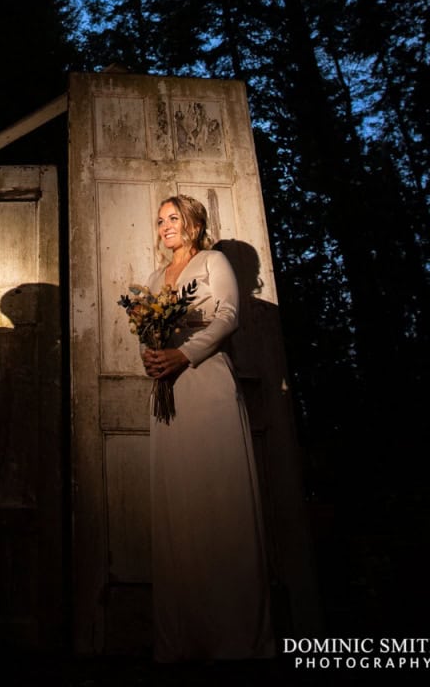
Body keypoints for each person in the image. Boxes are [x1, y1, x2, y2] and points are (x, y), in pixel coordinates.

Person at [141, 195, 274, 663]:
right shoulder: (156, 279)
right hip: (169, 390)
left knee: (219, 498)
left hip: (207, 383)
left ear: (195, 224)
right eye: (160, 221)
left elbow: (229, 317)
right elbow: (151, 328)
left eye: (174, 218)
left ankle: (235, 637)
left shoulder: (213, 261)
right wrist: (154, 354)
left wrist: (184, 354)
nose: (165, 227)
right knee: (180, 502)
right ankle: (184, 637)